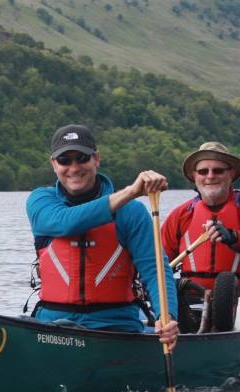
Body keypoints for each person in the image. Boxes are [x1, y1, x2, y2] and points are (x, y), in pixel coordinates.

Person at [26, 124, 179, 348]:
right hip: (52, 325)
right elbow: (65, 222)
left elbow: (155, 269)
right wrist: (130, 192)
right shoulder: (40, 201)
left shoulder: (131, 212)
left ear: (96, 159)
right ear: (53, 164)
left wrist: (167, 317)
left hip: (115, 325)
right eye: (65, 160)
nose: (74, 167)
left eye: (82, 158)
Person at [161, 142, 240, 331]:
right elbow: (159, 262)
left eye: (218, 170)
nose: (210, 176)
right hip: (192, 300)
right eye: (203, 172)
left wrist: (234, 237)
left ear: (231, 174)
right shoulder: (180, 215)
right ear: (194, 177)